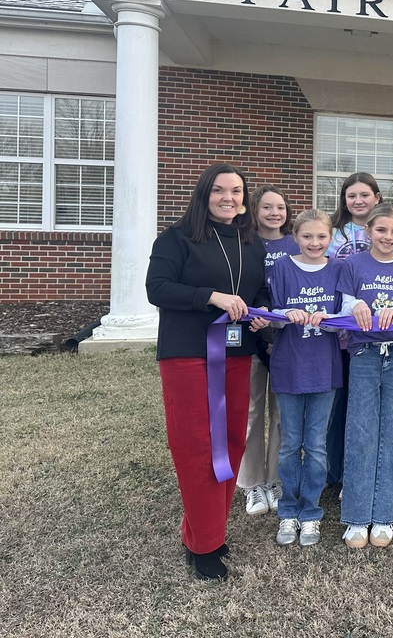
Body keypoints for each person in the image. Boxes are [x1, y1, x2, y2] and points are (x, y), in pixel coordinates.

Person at [146, 163, 269, 581]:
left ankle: (205, 529)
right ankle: (204, 546)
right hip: (188, 355)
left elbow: (259, 293)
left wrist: (262, 316)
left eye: (237, 191)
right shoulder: (176, 238)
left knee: (231, 444)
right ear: (204, 194)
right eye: (219, 191)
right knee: (198, 446)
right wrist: (211, 296)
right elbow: (157, 288)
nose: (229, 198)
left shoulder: (252, 244)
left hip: (236, 354)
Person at [251, 209, 344, 548]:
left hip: (325, 366)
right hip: (289, 365)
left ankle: (311, 512)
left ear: (330, 237)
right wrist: (282, 316)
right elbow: (270, 317)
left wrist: (328, 318)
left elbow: (347, 315)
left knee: (316, 445)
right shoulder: (282, 268)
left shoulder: (339, 268)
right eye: (307, 236)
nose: (314, 243)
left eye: (321, 236)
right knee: (290, 443)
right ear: (295, 237)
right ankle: (289, 509)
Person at [338, 204, 393, 549]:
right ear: (368, 231)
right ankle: (357, 516)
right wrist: (354, 305)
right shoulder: (351, 265)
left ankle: (386, 514)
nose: (388, 237)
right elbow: (342, 305)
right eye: (382, 230)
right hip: (363, 354)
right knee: (361, 429)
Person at [238, 184, 298, 518]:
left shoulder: (295, 243)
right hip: (251, 334)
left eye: (280, 207)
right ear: (254, 211)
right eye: (267, 208)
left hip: (288, 337)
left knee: (281, 413)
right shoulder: (243, 243)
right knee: (250, 410)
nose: (275, 213)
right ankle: (251, 484)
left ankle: (276, 479)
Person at [324, 173, 383, 494]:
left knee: (366, 405)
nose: (358, 201)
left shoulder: (384, 231)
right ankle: (335, 472)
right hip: (336, 331)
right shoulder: (332, 234)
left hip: (373, 336)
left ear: (377, 197)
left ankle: (366, 468)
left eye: (364, 195)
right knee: (337, 403)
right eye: (351, 196)